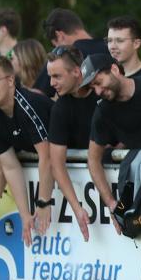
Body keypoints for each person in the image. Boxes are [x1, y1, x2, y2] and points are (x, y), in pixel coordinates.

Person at [0, 55, 54, 246]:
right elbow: (9, 166)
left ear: (10, 80)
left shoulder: (28, 105)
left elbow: (48, 157)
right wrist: (25, 215)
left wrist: (43, 202)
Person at [81, 53, 141, 227]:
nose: (97, 91)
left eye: (98, 82)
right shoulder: (102, 112)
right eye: (92, 87)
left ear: (114, 69)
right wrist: (111, 203)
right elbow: (93, 159)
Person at [46, 46, 98, 240]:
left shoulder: (102, 91)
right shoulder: (60, 108)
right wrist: (77, 208)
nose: (51, 83)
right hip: (91, 187)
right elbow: (56, 164)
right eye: (50, 76)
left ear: (77, 71)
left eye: (57, 76)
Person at [33, 8, 109, 95]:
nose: (57, 51)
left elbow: (38, 93)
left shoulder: (67, 54)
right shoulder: (110, 47)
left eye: (56, 46)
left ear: (60, 35)